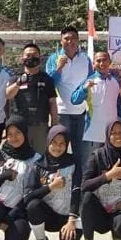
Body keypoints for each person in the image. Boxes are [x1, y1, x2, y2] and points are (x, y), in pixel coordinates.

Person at [26, 125, 83, 240]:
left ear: (67, 144)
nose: (58, 147)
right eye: (54, 142)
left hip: (68, 216)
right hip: (49, 216)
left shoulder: (74, 162)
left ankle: (68, 235)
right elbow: (28, 197)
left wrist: (71, 220)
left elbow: (77, 190)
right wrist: (51, 186)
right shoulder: (39, 164)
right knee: (33, 205)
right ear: (48, 142)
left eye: (62, 143)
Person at [45, 25, 92, 170]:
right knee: (59, 151)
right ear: (61, 41)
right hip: (61, 114)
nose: (70, 41)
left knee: (82, 153)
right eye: (66, 39)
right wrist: (58, 68)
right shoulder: (53, 59)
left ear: (78, 41)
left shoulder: (86, 59)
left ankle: (79, 183)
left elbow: (90, 83)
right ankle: (58, 181)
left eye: (73, 38)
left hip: (82, 113)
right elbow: (48, 85)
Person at [5, 43, 57, 154]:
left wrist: (54, 124)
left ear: (40, 57)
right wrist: (19, 83)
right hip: (19, 126)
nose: (31, 58)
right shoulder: (15, 78)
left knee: (39, 156)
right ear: (22, 58)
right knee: (18, 155)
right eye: (28, 55)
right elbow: (8, 95)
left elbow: (52, 102)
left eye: (34, 55)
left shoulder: (47, 79)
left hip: (40, 126)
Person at [70, 50, 121, 155]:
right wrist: (84, 89)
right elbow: (74, 100)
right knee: (89, 166)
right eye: (98, 61)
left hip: (111, 133)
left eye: (104, 60)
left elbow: (119, 106)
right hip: (92, 133)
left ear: (110, 62)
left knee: (110, 165)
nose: (102, 63)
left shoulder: (116, 81)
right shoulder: (89, 81)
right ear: (93, 64)